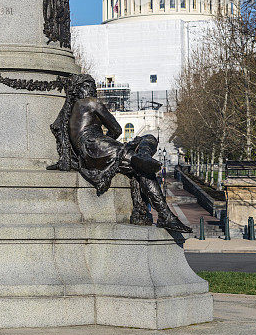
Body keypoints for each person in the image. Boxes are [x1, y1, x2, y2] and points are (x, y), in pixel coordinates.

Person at [48, 74, 191, 232]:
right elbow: (116, 129)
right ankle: (166, 216)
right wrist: (108, 142)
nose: (93, 90)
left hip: (89, 151)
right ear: (81, 89)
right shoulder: (92, 102)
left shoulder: (71, 110)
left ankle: (142, 156)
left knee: (142, 153)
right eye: (90, 86)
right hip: (96, 145)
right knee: (145, 152)